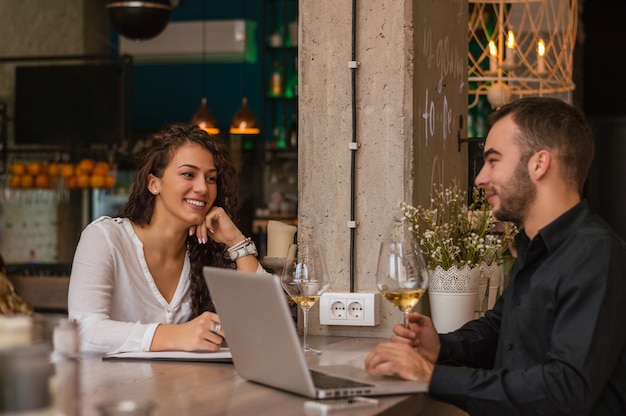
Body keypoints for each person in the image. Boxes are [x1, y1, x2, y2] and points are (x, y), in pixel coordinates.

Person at [365, 97, 626, 415]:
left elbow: (565, 390)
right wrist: (442, 346)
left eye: (493, 160)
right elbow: (501, 330)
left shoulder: (597, 254)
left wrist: (433, 376)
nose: (480, 178)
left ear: (539, 164)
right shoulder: (535, 247)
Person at [68, 123, 265, 354]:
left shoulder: (207, 251)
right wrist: (176, 336)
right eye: (188, 174)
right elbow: (83, 331)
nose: (202, 187)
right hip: (113, 389)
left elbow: (268, 326)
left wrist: (236, 241)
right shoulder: (105, 238)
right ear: (154, 183)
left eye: (211, 178)